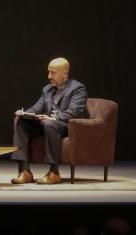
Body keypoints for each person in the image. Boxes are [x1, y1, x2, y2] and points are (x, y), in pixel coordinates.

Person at [11, 57, 88, 185]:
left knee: (49, 123)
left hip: (68, 126)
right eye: (48, 72)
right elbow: (37, 107)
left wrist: (54, 118)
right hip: (48, 124)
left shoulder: (78, 88)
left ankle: (54, 172)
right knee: (20, 122)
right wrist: (24, 114)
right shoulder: (47, 89)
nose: (49, 76)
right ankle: (25, 172)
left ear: (64, 73)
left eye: (53, 72)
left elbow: (75, 111)